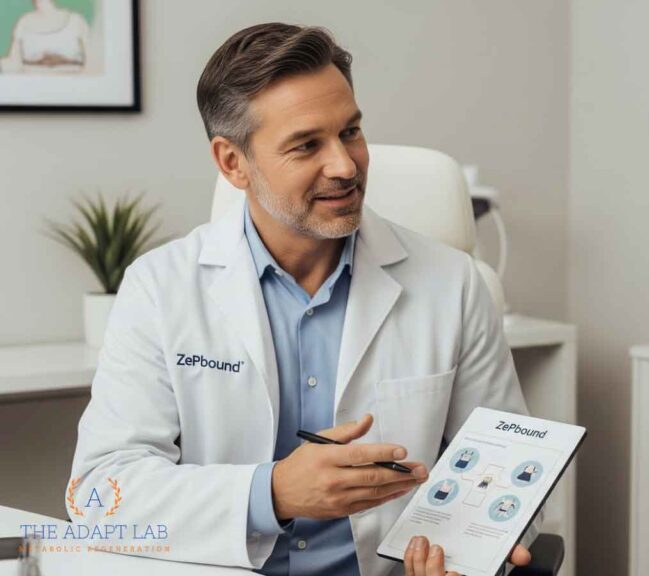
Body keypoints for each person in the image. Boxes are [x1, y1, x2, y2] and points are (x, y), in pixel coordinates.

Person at [68, 23, 536, 576]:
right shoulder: (160, 287)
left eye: (351, 132)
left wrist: (467, 557)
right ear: (232, 162)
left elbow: (509, 475)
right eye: (307, 145)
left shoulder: (454, 285)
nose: (344, 165)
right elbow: (102, 493)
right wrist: (273, 493)